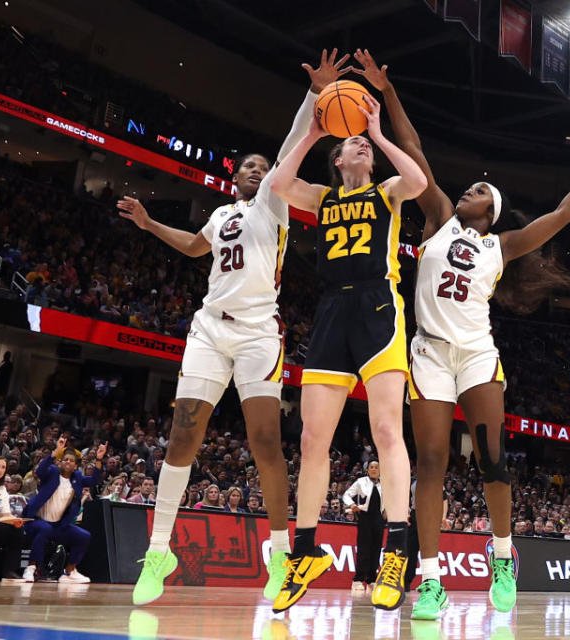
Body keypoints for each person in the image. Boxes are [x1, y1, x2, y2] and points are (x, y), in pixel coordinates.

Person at [349, 49, 570, 619]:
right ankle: (430, 581)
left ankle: (503, 557)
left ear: (491, 211)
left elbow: (562, 216)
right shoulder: (438, 216)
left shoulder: (501, 245)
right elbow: (418, 153)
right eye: (471, 186)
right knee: (431, 463)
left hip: (476, 353)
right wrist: (389, 92)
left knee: (492, 461)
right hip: (426, 351)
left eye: (479, 189)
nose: (470, 188)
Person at [120, 51, 350, 606]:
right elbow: (196, 248)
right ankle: (158, 550)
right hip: (208, 330)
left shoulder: (274, 203)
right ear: (234, 174)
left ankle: (278, 555)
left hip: (256, 334)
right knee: (182, 435)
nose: (258, 169)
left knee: (266, 441)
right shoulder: (221, 216)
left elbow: (298, 135)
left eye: (263, 164)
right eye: (250, 165)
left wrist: (313, 100)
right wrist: (151, 224)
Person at [269, 58, 427, 612]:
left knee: (387, 429)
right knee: (313, 440)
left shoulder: (387, 191)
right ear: (336, 157)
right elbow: (277, 183)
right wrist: (313, 130)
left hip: (380, 308)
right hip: (333, 312)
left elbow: (420, 181)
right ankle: (306, 551)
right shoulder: (322, 196)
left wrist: (380, 134)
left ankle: (397, 551)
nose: (360, 145)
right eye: (354, 141)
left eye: (365, 143)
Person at [22, 436, 106, 583]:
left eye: (72, 461)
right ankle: (31, 568)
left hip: (57, 526)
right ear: (60, 462)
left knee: (84, 536)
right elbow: (40, 471)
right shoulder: (52, 472)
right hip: (35, 521)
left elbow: (93, 480)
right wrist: (55, 452)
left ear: (75, 466)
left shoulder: (77, 478)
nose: (68, 462)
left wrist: (99, 459)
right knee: (44, 528)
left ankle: (69, 572)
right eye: (65, 459)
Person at [342, 460, 385, 593]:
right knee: (363, 549)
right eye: (371, 467)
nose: (373, 469)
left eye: (376, 467)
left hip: (379, 519)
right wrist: (352, 505)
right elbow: (346, 495)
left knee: (376, 549)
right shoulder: (361, 482)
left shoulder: (384, 484)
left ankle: (372, 579)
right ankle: (358, 579)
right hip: (365, 517)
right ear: (367, 470)